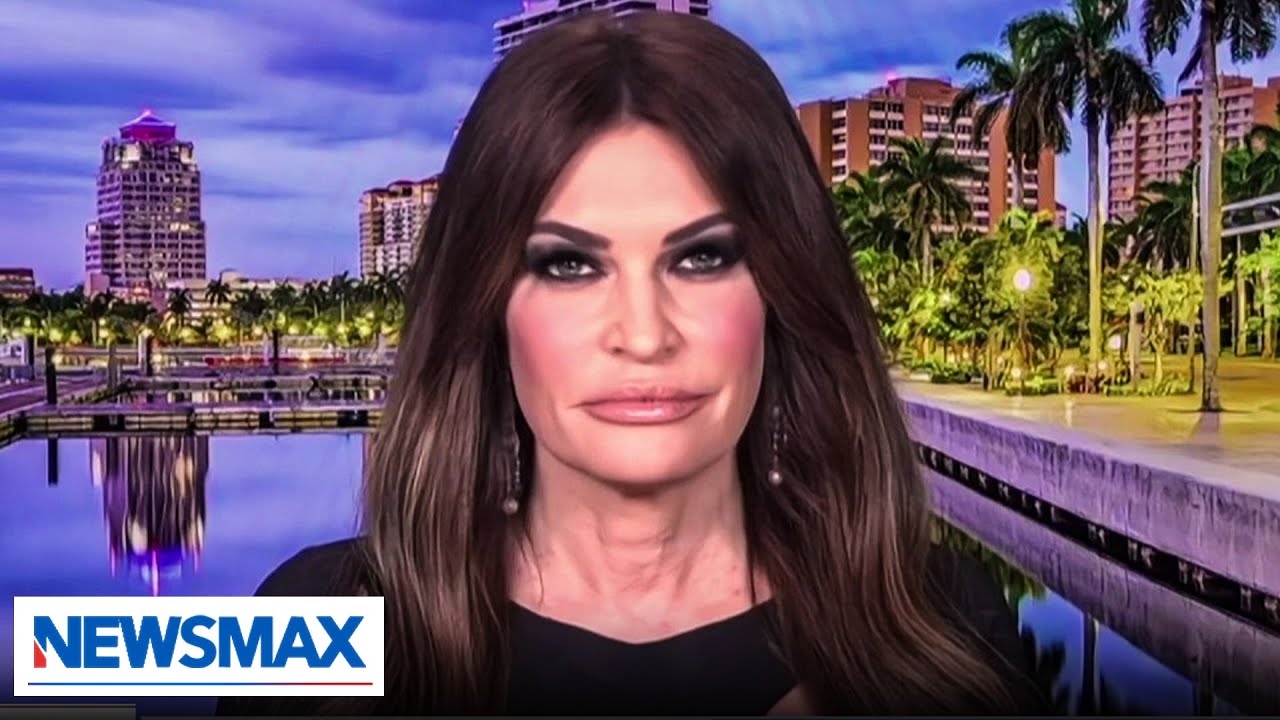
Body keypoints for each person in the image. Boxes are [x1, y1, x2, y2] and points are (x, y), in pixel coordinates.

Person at [217, 9, 1048, 717]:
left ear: (782, 288)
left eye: (702, 258)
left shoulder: (942, 622)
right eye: (570, 265)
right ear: (487, 304)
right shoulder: (312, 622)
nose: (644, 335)